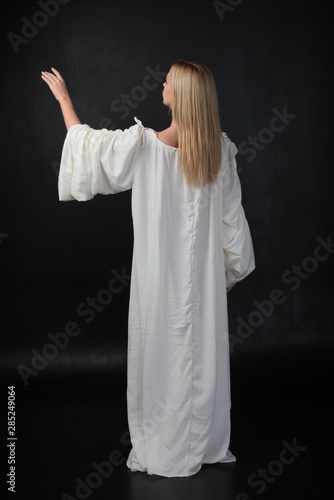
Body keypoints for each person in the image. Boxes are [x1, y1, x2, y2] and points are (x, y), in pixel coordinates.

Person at [41, 60, 255, 477]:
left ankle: (166, 445)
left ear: (182, 97)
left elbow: (87, 147)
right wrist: (229, 271)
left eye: (169, 81)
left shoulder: (143, 147)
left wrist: (65, 100)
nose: (163, 84)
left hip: (159, 283)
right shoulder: (220, 153)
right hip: (204, 283)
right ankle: (201, 442)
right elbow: (234, 221)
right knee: (199, 356)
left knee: (162, 356)